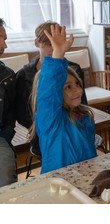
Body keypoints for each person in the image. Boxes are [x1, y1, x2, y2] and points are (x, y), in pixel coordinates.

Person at [30, 24, 96, 174]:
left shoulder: (85, 117)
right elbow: (48, 92)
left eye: (77, 84)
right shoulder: (50, 120)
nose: (78, 90)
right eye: (68, 87)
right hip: (58, 184)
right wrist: (57, 55)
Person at [16, 21, 88, 157]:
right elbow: (21, 113)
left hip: (73, 129)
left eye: (58, 44)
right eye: (49, 44)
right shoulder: (23, 75)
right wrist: (46, 126)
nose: (54, 48)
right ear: (37, 43)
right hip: (42, 133)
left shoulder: (73, 69)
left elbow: (82, 105)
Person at [0, 18, 17, 187]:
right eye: (0, 38)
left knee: (6, 175)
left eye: (5, 39)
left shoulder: (8, 76)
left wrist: (5, 137)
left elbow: (10, 115)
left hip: (0, 138)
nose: (4, 46)